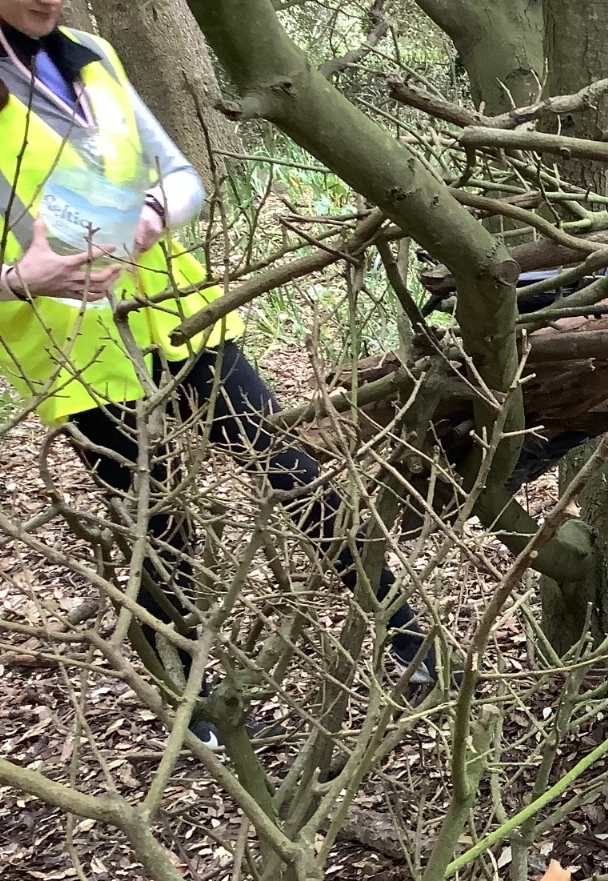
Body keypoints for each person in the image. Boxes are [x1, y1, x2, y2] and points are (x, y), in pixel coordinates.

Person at [0, 0, 434, 746]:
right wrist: (21, 278)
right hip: (75, 349)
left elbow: (181, 179)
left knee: (291, 468)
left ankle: (406, 635)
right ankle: (203, 706)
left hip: (177, 310)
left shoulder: (91, 56)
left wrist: (150, 215)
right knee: (158, 522)